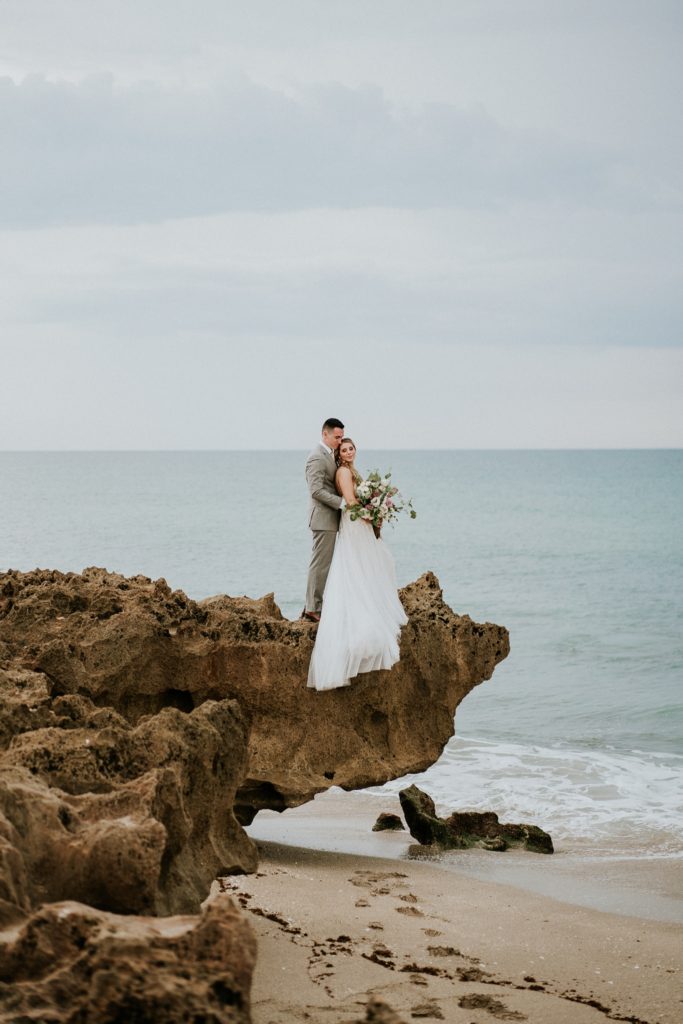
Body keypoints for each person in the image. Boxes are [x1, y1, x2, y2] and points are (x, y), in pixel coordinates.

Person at [307, 437, 408, 691]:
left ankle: (372, 599)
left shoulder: (351, 470)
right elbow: (350, 502)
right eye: (344, 448)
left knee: (373, 563)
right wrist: (371, 515)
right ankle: (321, 606)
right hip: (354, 524)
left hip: (359, 523)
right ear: (339, 454)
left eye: (351, 448)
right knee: (361, 565)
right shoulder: (342, 471)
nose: (348, 451)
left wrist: (376, 510)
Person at [302, 418, 345, 622]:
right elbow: (316, 490)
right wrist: (342, 503)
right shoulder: (317, 458)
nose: (339, 441)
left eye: (341, 437)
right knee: (320, 564)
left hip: (330, 519)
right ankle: (312, 607)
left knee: (324, 564)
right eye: (337, 437)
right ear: (324, 434)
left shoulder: (331, 455)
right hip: (322, 518)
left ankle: (313, 604)